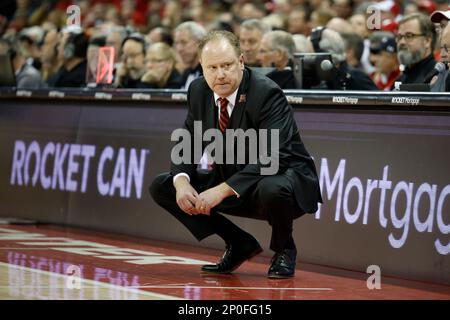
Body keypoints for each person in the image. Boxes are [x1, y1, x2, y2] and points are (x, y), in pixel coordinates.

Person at [150, 30, 322, 279]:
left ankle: (285, 249)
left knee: (272, 187)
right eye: (212, 67)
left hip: (284, 178)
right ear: (202, 67)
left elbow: (274, 156)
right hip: (234, 175)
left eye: (227, 65)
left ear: (241, 61)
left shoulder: (266, 92)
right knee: (163, 185)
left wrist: (221, 190)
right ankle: (238, 242)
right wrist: (182, 182)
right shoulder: (198, 90)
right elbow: (188, 141)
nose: (220, 74)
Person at [394, 13, 437, 85]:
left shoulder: (437, 76)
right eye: (399, 37)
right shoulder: (401, 78)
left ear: (427, 41)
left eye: (409, 36)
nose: (402, 42)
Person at [173, 21, 206, 89]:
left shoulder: (208, 73)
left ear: (199, 43)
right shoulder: (186, 73)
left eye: (183, 42)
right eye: (176, 43)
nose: (179, 49)